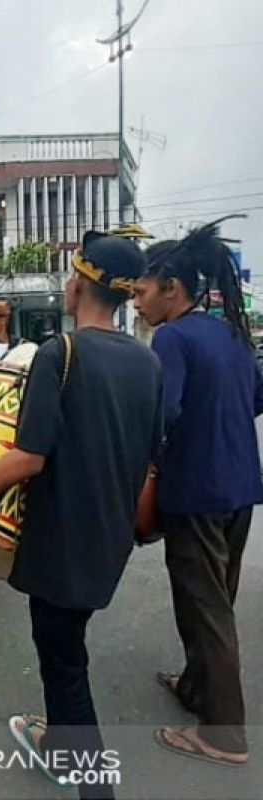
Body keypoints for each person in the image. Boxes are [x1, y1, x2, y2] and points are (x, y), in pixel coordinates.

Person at [0, 231, 162, 798]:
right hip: (108, 542)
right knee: (65, 654)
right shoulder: (146, 361)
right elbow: (150, 456)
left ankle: (92, 785)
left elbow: (26, 457)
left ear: (78, 284)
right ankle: (59, 746)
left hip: (62, 546)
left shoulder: (62, 353)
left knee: (67, 673)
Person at [133, 220, 261, 767]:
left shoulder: (173, 337)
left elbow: (164, 413)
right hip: (239, 488)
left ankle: (225, 734)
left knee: (206, 607)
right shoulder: (230, 331)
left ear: (171, 288)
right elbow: (255, 398)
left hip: (197, 492)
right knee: (214, 597)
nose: (136, 304)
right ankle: (194, 685)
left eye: (140, 293)